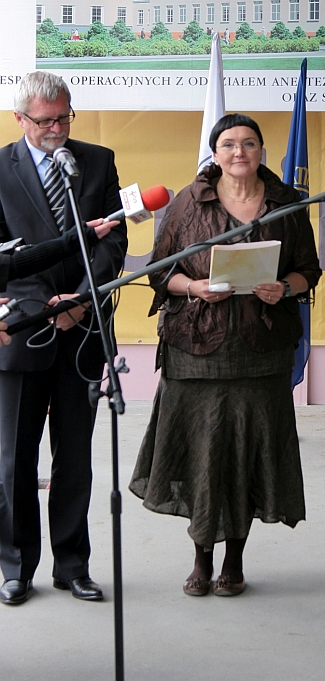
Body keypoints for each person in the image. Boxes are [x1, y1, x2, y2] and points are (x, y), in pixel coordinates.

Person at [130, 113, 321, 597]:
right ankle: (200, 559)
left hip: (261, 353)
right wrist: (193, 286)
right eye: (230, 144)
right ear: (214, 154)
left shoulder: (286, 204)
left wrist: (284, 287)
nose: (240, 152)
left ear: (261, 151)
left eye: (249, 143)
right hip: (195, 351)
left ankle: (234, 561)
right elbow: (159, 271)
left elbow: (308, 270)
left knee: (245, 458)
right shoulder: (188, 201)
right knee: (202, 456)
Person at [0, 71, 127, 606]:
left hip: (83, 329)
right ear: (19, 118)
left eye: (64, 117)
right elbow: (3, 258)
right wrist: (42, 306)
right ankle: (15, 566)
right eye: (46, 120)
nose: (57, 128)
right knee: (14, 459)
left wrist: (80, 300)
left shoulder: (95, 161)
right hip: (21, 330)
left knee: (74, 457)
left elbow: (113, 242)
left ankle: (72, 565)